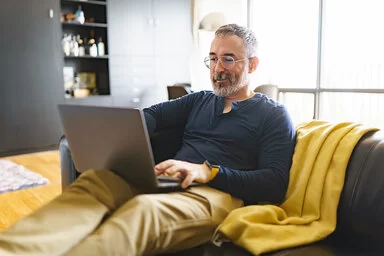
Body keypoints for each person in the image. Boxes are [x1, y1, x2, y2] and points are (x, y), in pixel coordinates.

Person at [0, 24, 296, 256]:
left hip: (214, 193)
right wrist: (118, 137)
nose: (217, 69)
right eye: (213, 58)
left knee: (142, 213)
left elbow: (273, 182)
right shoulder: (200, 100)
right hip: (166, 179)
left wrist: (209, 172)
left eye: (229, 59)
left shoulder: (273, 114)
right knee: (96, 182)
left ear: (253, 64)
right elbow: (150, 115)